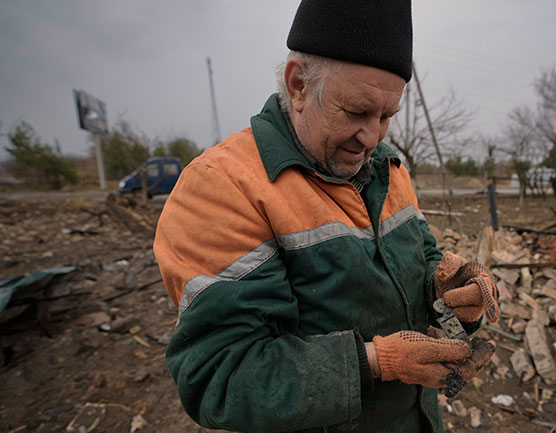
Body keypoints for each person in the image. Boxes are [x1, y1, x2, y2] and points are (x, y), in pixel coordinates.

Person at [154, 1, 500, 432]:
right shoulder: (222, 187)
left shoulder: (388, 169)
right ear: (298, 84)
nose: (371, 137)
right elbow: (219, 376)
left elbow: (422, 264)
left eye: (386, 117)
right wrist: (376, 362)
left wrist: (454, 293)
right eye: (357, 111)